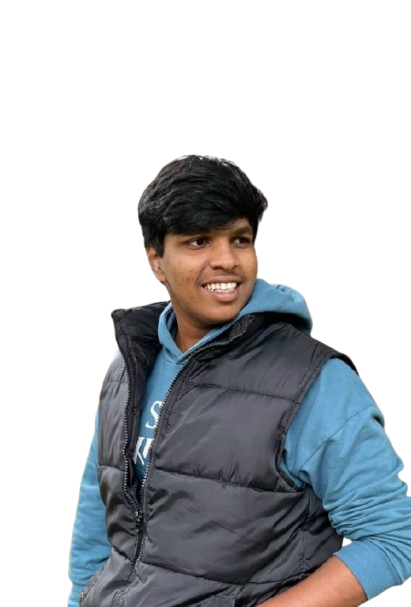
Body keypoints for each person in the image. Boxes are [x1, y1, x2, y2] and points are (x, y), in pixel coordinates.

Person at [67, 154, 410, 606]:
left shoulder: (314, 381)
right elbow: (98, 512)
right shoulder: (129, 363)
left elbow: (392, 539)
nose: (226, 260)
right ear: (156, 260)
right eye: (198, 241)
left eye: (240, 240)